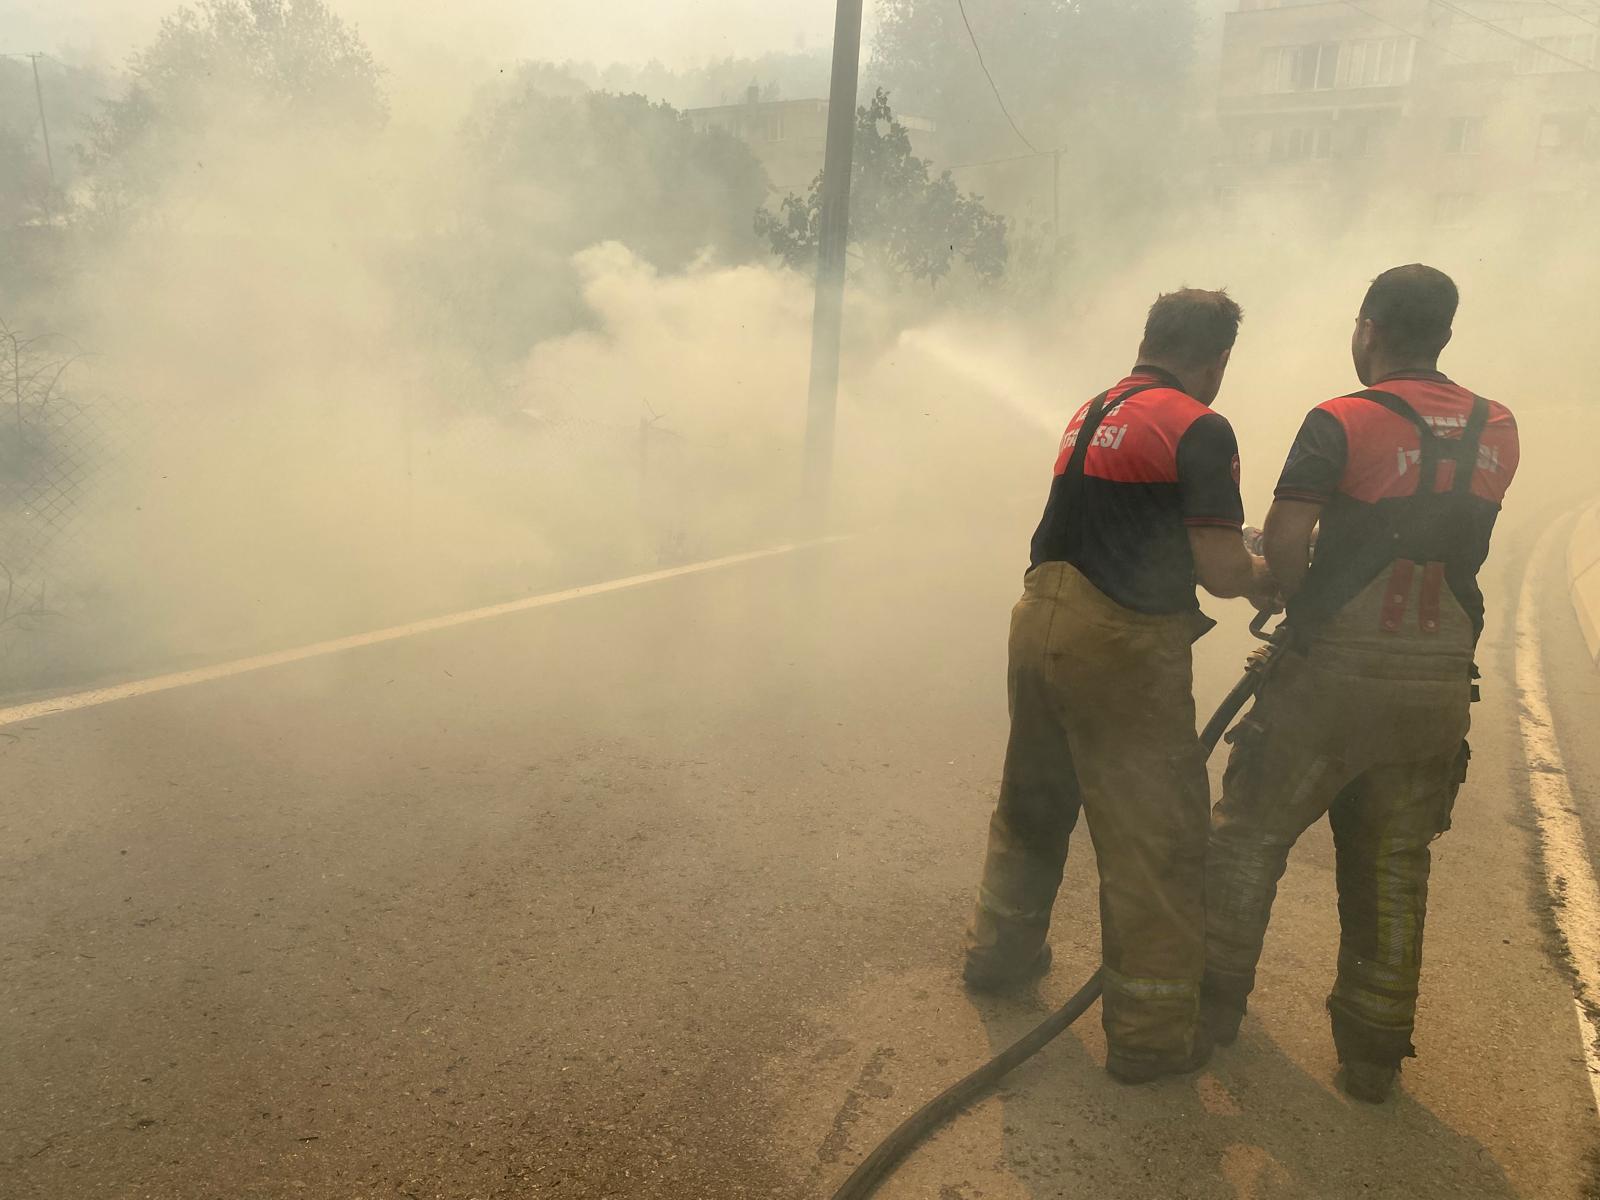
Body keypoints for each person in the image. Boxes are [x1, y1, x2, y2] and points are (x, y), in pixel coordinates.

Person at [1202, 264, 1520, 1103]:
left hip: (1335, 674)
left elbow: (1291, 538)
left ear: (1369, 328)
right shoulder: (1500, 425)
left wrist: (1279, 584)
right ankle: (1374, 1058)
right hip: (1441, 680)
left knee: (1247, 839)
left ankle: (1210, 1010)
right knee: (1393, 862)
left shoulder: (1341, 419)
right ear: (1444, 336)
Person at [963, 289, 1277, 1085]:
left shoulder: (1095, 408)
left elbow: (1129, 519)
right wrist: (1268, 578)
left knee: (1032, 804)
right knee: (1157, 841)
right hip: (1120, 643)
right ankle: (1149, 1035)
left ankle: (999, 955)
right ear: (1217, 359)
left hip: (1039, 622)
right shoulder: (1201, 425)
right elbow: (1218, 569)